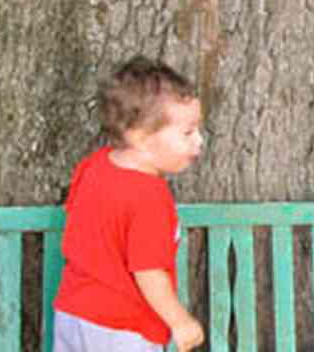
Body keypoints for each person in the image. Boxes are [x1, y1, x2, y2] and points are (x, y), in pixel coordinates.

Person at [52, 56, 207, 352]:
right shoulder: (149, 196)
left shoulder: (94, 166)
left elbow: (80, 221)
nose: (199, 141)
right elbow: (148, 271)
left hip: (72, 314)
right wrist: (180, 321)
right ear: (140, 137)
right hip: (123, 327)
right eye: (187, 132)